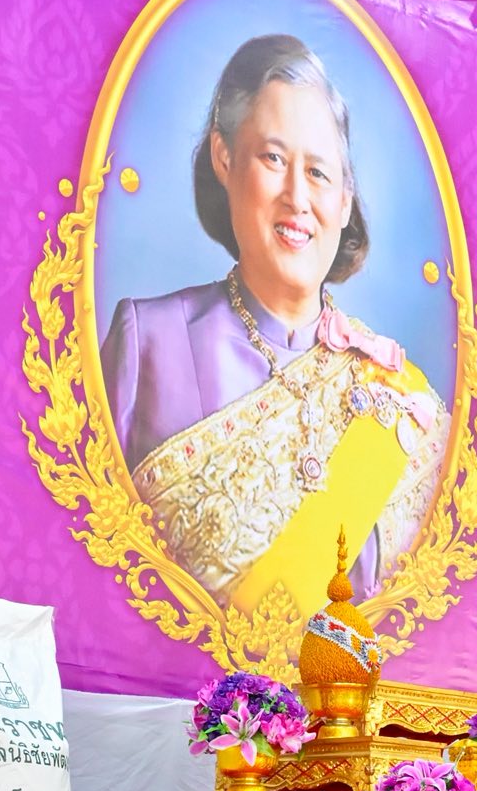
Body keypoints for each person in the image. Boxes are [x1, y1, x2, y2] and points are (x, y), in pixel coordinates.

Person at [100, 33, 450, 614]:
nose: (297, 197)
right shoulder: (148, 343)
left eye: (318, 173)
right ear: (224, 158)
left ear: (345, 201)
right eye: (273, 159)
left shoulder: (402, 399)